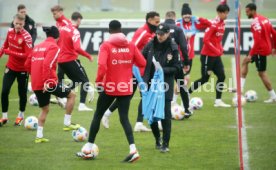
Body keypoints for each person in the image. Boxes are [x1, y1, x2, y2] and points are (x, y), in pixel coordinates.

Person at [76, 20, 146, 162]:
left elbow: (102, 65)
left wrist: (98, 81)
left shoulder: (106, 45)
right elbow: (142, 63)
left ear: (109, 31)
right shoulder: (131, 45)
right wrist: (127, 62)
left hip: (110, 87)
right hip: (126, 87)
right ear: (121, 30)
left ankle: (88, 148)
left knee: (97, 115)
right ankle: (133, 149)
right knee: (124, 118)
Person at [101, 11, 160, 131]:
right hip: (136, 69)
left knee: (145, 94)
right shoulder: (143, 32)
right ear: (149, 20)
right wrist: (132, 67)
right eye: (156, 21)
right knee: (130, 96)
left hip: (146, 69)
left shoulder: (153, 33)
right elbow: (131, 47)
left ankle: (139, 123)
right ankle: (107, 114)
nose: (158, 24)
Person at [24, 26, 80, 143]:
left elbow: (27, 65)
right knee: (72, 95)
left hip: (36, 83)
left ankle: (39, 137)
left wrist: (35, 77)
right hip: (48, 82)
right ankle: (67, 123)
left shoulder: (37, 47)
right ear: (57, 37)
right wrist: (47, 82)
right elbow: (47, 64)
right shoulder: (54, 47)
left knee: (45, 109)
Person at [142, 23, 181, 152]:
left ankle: (165, 144)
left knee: (165, 114)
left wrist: (162, 70)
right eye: (158, 33)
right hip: (150, 84)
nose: (159, 36)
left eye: (162, 34)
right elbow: (141, 59)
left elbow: (177, 68)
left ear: (168, 34)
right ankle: (157, 139)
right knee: (151, 114)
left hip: (165, 84)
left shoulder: (173, 47)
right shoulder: (150, 44)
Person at [51, 5, 94, 111]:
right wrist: (88, 55)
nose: (53, 15)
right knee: (84, 80)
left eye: (55, 13)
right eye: (53, 14)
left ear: (61, 12)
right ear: (78, 20)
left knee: (75, 80)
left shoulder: (64, 24)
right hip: (68, 57)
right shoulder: (69, 27)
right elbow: (76, 47)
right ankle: (81, 104)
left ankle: (61, 96)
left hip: (62, 58)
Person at [188, 4, 231, 107]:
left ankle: (218, 101)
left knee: (222, 76)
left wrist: (220, 48)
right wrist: (216, 50)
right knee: (205, 79)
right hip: (207, 56)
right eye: (225, 13)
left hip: (216, 56)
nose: (226, 15)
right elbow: (206, 40)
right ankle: (187, 93)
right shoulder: (214, 24)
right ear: (220, 13)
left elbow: (218, 40)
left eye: (227, 13)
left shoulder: (222, 23)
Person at [174, 3, 211, 105]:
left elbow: (209, 24)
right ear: (181, 15)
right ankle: (174, 101)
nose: (187, 16)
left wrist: (198, 17)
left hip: (189, 57)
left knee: (186, 79)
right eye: (185, 14)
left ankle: (180, 101)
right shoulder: (177, 24)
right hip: (179, 56)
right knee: (181, 80)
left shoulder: (195, 23)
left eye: (188, 14)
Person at [0, 14, 32, 127]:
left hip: (23, 69)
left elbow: (28, 55)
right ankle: (4, 117)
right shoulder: (9, 31)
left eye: (20, 24)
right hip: (10, 67)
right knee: (4, 91)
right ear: (13, 22)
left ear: (24, 24)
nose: (18, 26)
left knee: (22, 93)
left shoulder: (27, 37)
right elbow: (5, 46)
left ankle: (20, 115)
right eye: (16, 23)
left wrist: (11, 53)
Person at [240, 3, 276, 103]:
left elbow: (258, 41)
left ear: (252, 11)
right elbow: (274, 33)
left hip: (260, 50)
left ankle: (273, 96)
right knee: (245, 62)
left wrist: (251, 54)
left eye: (247, 11)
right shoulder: (265, 19)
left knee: (262, 73)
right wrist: (274, 47)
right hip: (264, 48)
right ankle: (240, 89)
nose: (246, 13)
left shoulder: (255, 23)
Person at [164, 11, 192, 117]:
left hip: (163, 64)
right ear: (175, 18)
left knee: (163, 87)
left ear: (165, 17)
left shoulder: (161, 28)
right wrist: (186, 62)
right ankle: (187, 109)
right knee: (181, 85)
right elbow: (184, 48)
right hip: (176, 63)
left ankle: (162, 111)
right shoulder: (178, 29)